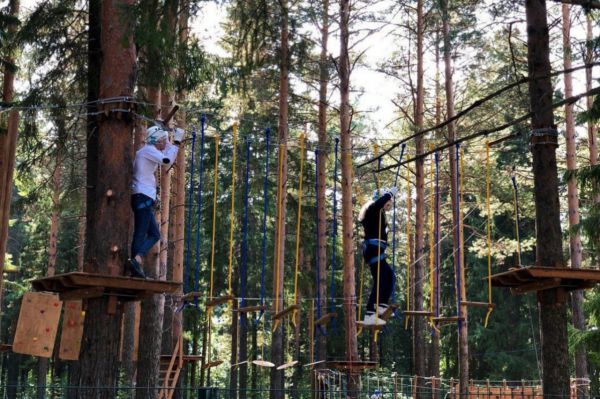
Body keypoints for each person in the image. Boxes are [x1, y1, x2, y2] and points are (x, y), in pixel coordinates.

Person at [127, 125, 185, 278]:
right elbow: (167, 160)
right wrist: (176, 142)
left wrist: (168, 137)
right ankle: (135, 262)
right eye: (162, 141)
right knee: (141, 231)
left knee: (154, 234)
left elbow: (165, 152)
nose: (163, 144)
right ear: (155, 141)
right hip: (142, 196)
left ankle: (136, 259)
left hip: (143, 196)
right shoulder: (148, 151)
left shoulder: (148, 151)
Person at [358, 186, 398, 326]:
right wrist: (390, 193)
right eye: (388, 202)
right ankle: (370, 313)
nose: (389, 205)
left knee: (389, 277)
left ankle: (380, 305)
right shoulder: (372, 208)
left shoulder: (378, 212)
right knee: (381, 280)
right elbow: (379, 203)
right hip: (373, 249)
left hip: (376, 249)